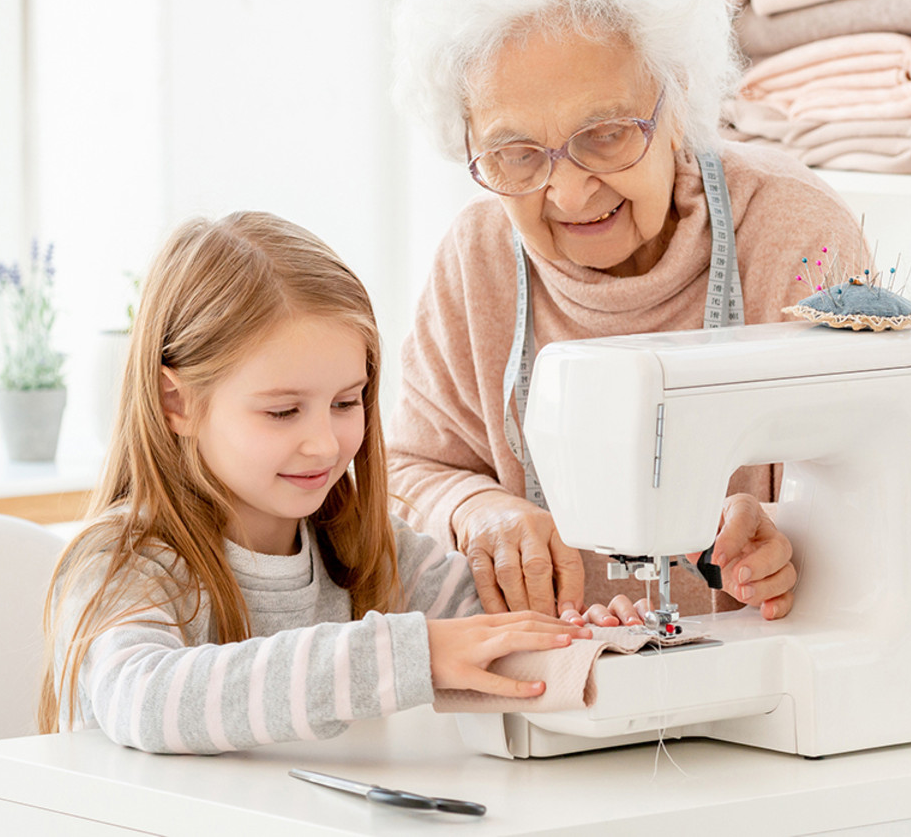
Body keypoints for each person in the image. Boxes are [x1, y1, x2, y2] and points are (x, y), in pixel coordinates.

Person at [389, 0, 864, 626]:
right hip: (557, 669)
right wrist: (476, 507)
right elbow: (409, 470)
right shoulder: (476, 259)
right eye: (517, 154)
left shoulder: (795, 234)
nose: (569, 191)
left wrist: (787, 532)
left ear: (678, 99)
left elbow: (866, 478)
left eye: (606, 135)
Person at [38, 211, 588, 755]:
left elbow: (496, 634)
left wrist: (587, 638)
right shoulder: (120, 561)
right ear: (175, 403)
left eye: (346, 402)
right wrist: (409, 654)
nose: (324, 445)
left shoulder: (370, 548)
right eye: (283, 412)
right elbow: (145, 700)